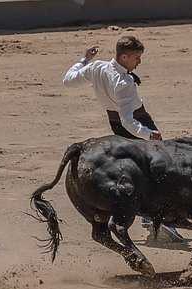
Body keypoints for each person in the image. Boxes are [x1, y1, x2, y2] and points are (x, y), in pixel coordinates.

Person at [62, 35, 185, 242]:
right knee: (161, 169)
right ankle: (157, 221)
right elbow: (128, 120)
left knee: (139, 170)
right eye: (137, 57)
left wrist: (84, 60)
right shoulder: (123, 82)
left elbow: (68, 80)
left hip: (115, 125)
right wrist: (149, 134)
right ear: (125, 57)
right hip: (137, 123)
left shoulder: (96, 67)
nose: (139, 62)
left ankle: (153, 219)